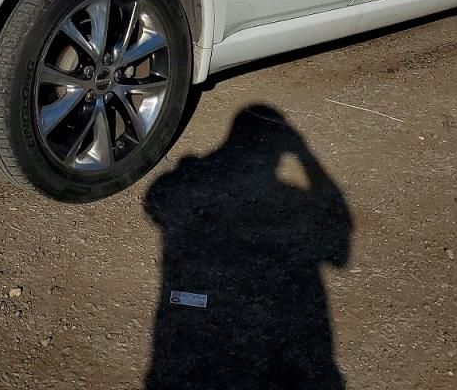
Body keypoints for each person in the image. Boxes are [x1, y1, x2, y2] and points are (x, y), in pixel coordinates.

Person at [144, 104, 352, 389]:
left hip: (195, 341)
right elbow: (339, 248)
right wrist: (305, 155)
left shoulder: (190, 182)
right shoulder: (291, 200)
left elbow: (156, 200)